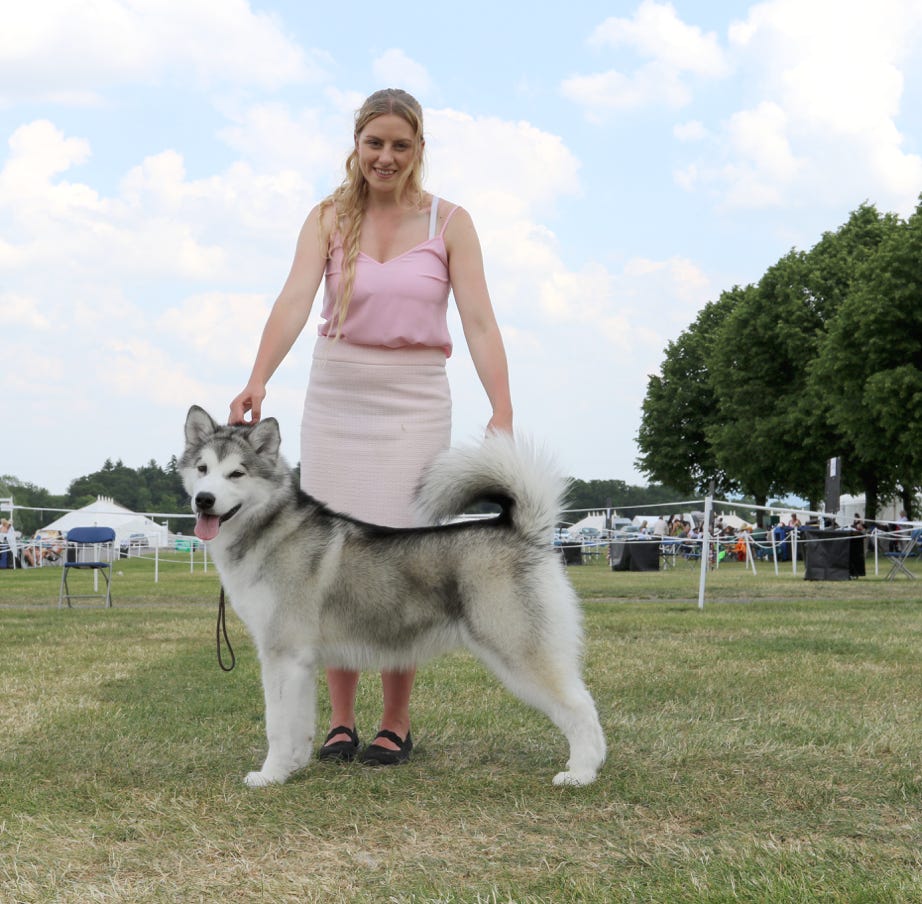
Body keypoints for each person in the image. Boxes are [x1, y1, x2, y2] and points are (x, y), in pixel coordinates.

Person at [228, 88, 513, 767]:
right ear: (356, 145)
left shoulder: (451, 222)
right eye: (374, 143)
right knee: (329, 561)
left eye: (400, 145)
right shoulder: (327, 217)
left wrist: (501, 407)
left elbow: (479, 322)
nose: (386, 156)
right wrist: (258, 376)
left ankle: (396, 721)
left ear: (419, 149)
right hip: (337, 396)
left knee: (403, 560)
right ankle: (339, 721)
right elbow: (295, 300)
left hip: (416, 397)